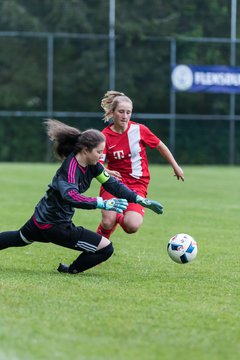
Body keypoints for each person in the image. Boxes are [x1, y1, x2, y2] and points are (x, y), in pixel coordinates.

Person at [0, 119, 163, 275]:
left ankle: (69, 267)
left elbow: (111, 184)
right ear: (85, 150)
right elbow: (71, 196)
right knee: (106, 249)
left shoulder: (93, 165)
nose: (101, 156)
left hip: (42, 218)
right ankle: (70, 270)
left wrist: (138, 199)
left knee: (19, 238)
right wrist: (103, 203)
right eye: (99, 151)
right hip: (55, 225)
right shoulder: (70, 169)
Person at [96, 90, 184, 240]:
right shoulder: (104, 136)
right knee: (107, 221)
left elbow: (160, 145)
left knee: (132, 226)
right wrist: (107, 171)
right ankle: (96, 249)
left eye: (128, 112)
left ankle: (117, 217)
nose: (125, 116)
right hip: (113, 183)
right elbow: (97, 164)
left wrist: (175, 166)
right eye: (121, 112)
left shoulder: (139, 130)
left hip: (137, 184)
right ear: (112, 112)